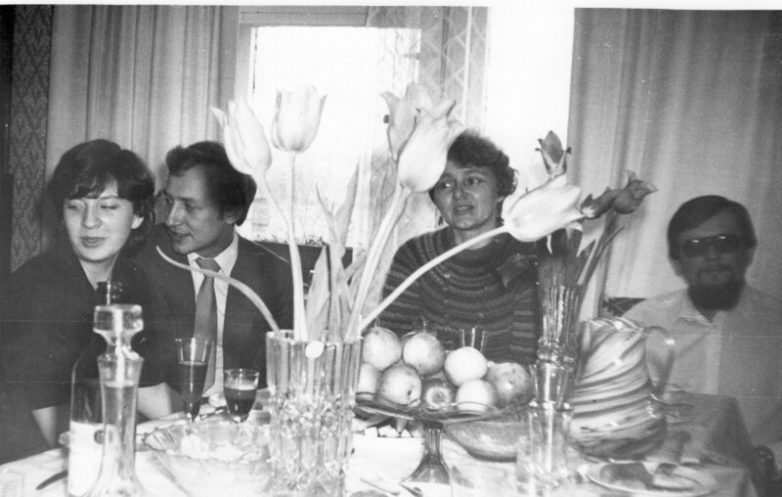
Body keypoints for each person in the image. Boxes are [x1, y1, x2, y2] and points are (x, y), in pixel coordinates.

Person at [0, 139, 171, 463]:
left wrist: (198, 427)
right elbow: (59, 431)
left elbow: (149, 389)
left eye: (108, 207)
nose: (89, 222)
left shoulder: (134, 279)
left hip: (98, 444)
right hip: (29, 462)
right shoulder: (33, 289)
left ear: (138, 215)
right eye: (75, 206)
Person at [625, 195, 782, 467]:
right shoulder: (640, 323)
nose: (712, 256)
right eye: (695, 247)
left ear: (748, 252)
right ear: (677, 263)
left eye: (725, 242)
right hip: (660, 475)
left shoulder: (776, 324)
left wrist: (769, 459)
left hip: (757, 476)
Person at [135, 141, 293, 396]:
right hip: (162, 411)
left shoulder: (276, 275)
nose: (172, 219)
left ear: (231, 212)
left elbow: (286, 374)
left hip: (240, 413)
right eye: (169, 201)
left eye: (190, 207)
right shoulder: (142, 256)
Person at [378, 131, 540, 364]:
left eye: (472, 181)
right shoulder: (414, 256)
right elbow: (388, 349)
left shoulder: (523, 258)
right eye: (445, 184)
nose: (458, 193)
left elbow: (525, 361)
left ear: (500, 190)